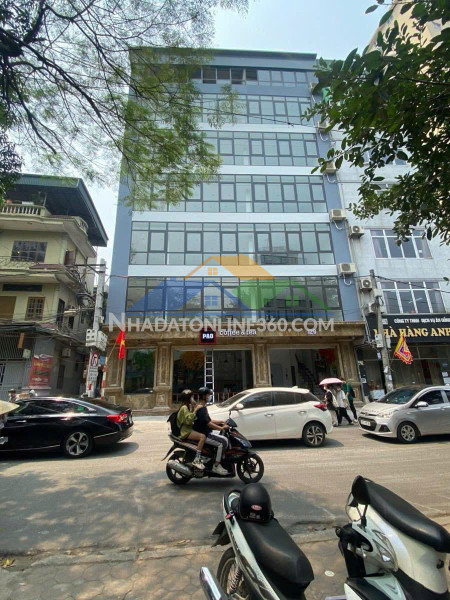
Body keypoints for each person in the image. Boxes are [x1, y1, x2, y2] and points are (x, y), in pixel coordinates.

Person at [193, 387, 229, 476]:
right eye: (208, 395)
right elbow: (208, 423)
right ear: (204, 396)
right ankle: (216, 466)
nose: (210, 396)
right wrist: (221, 428)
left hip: (205, 431)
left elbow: (209, 420)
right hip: (204, 433)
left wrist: (221, 421)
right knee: (223, 442)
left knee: (221, 437)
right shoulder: (201, 408)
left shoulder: (202, 407)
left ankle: (213, 457)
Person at [177, 389, 205, 470]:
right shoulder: (184, 408)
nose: (193, 399)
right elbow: (189, 420)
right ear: (188, 398)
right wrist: (196, 409)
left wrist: (194, 407)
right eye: (192, 397)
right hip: (186, 431)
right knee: (202, 437)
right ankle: (197, 459)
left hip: (188, 429)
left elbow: (193, 417)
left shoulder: (187, 407)